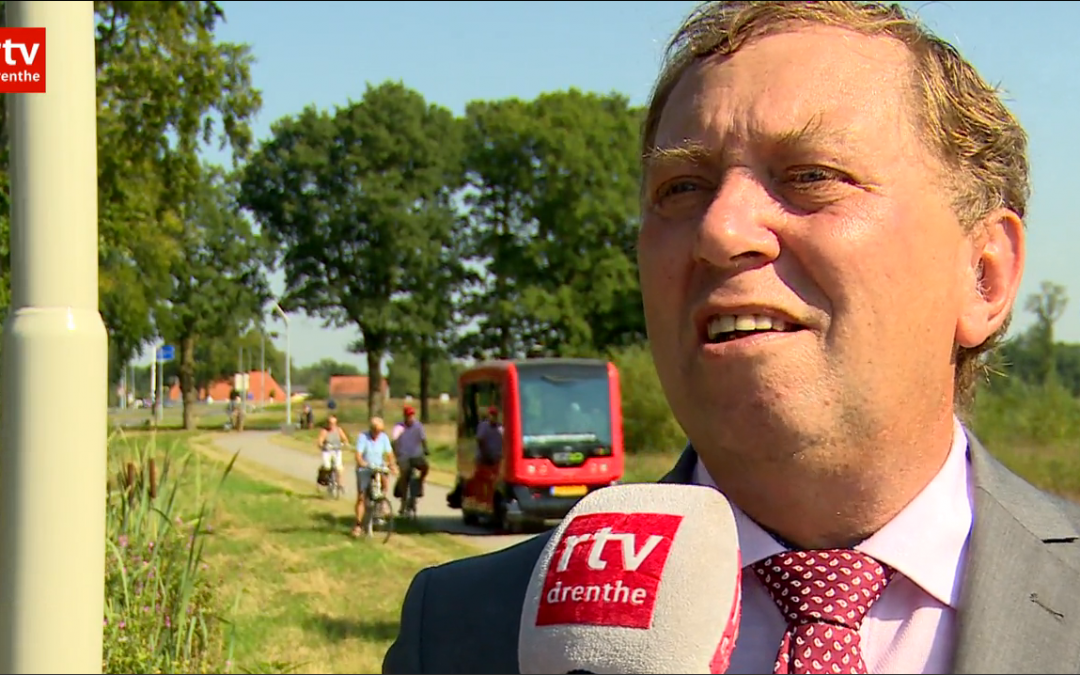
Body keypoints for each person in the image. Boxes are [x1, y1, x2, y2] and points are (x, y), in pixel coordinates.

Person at [383, 3, 1080, 674]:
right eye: (682, 188)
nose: (720, 230)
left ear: (983, 274)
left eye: (811, 176)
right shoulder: (462, 629)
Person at [352, 416, 397, 538]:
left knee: (385, 480)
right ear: (371, 429)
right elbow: (358, 455)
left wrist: (392, 465)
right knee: (361, 497)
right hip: (365, 468)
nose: (378, 433)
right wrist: (362, 463)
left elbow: (389, 454)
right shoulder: (363, 437)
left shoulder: (384, 438)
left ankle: (381, 504)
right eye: (376, 431)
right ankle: (358, 524)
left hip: (378, 466)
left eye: (380, 431)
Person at [392, 405, 429, 507]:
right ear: (404, 416)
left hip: (416, 455)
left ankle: (420, 482)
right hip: (404, 456)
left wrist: (425, 449)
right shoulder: (399, 427)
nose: (410, 417)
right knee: (404, 474)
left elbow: (423, 439)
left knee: (425, 467)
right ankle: (403, 500)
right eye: (408, 415)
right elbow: (394, 440)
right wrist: (396, 453)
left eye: (412, 415)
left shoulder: (418, 426)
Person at [316, 414, 348, 489]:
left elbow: (345, 439)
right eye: (330, 423)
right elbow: (320, 441)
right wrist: (322, 445)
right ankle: (323, 476)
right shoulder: (324, 431)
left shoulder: (339, 430)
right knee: (327, 466)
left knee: (339, 467)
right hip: (327, 451)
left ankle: (340, 483)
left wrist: (345, 443)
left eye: (334, 423)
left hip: (337, 450)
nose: (332, 425)